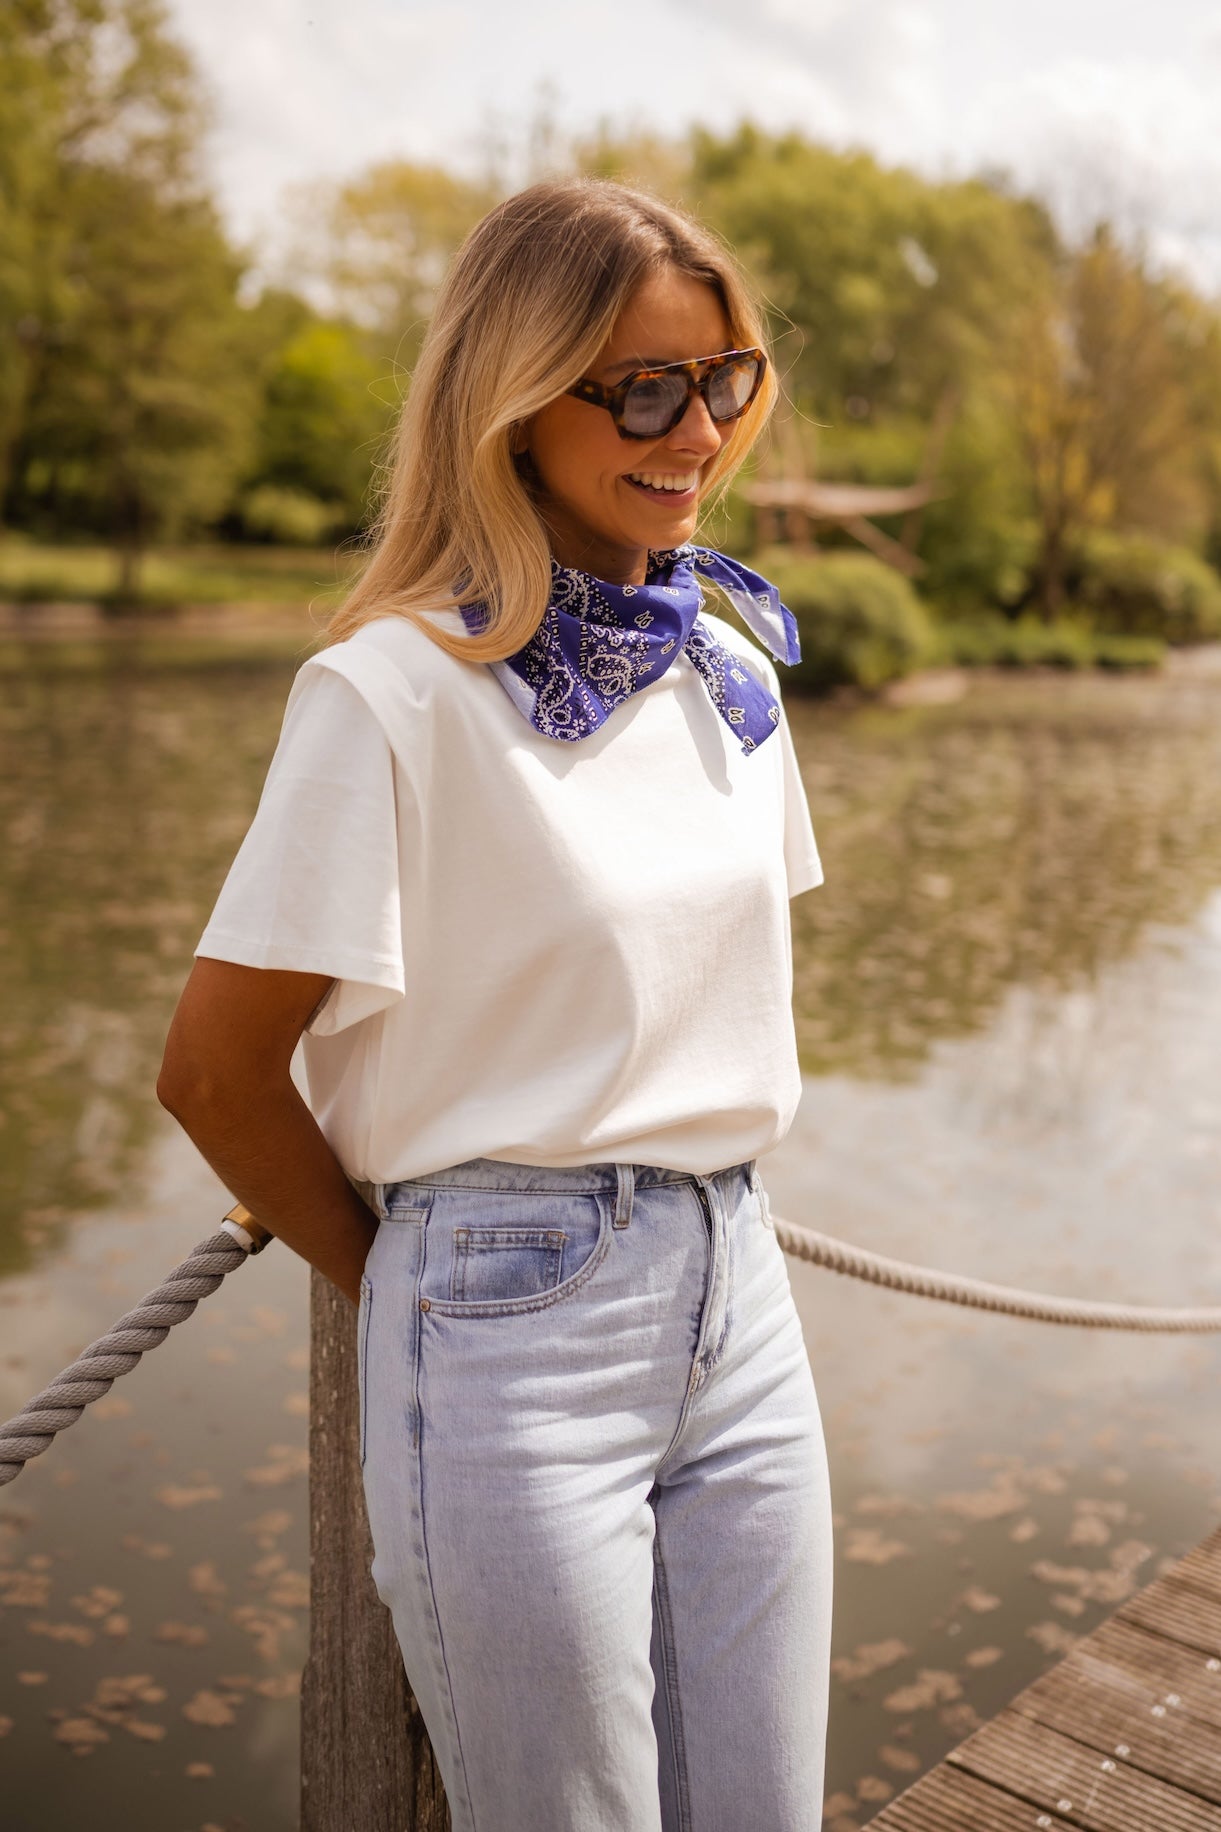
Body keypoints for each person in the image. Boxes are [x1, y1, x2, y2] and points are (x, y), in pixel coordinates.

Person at [158, 178, 833, 1832]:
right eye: (644, 390)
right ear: (516, 401)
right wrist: (420, 1286)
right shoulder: (387, 694)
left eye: (723, 379)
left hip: (742, 1299)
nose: (696, 432)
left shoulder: (728, 674)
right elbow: (214, 1072)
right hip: (505, 1331)